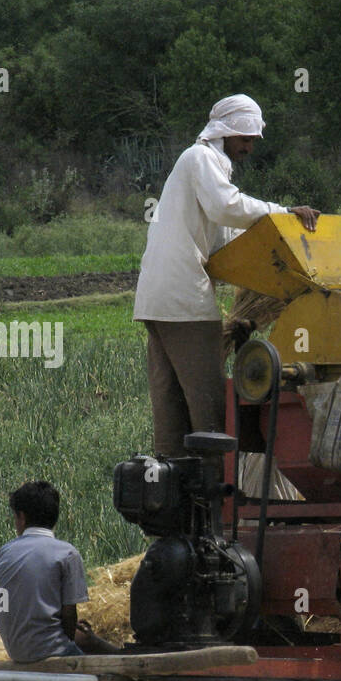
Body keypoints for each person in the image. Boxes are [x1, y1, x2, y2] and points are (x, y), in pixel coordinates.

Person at [133, 93, 320, 459]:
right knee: (209, 407)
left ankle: (172, 484)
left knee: (171, 404)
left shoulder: (204, 166)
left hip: (159, 298)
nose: (249, 147)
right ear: (226, 133)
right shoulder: (200, 158)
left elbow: (225, 242)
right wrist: (282, 212)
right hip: (183, 297)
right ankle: (217, 491)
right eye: (245, 139)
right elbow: (227, 206)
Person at [0, 481, 118, 663]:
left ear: (21, 517)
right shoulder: (67, 553)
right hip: (50, 650)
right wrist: (69, 641)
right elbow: (69, 615)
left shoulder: (5, 552)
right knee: (94, 649)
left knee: (83, 639)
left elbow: (2, 605)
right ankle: (125, 657)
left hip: (15, 648)